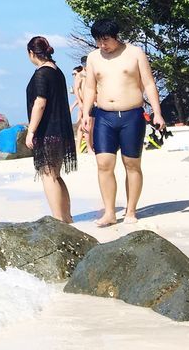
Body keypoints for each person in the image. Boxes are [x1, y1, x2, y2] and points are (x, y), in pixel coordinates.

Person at [82, 17, 165, 226]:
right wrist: (85, 114)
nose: (103, 45)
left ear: (116, 36)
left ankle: (131, 211)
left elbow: (148, 83)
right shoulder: (93, 58)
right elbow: (90, 88)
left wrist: (157, 112)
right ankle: (109, 212)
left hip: (131, 115)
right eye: (99, 41)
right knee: (104, 163)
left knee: (132, 164)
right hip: (104, 116)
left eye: (106, 40)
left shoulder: (135, 53)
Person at [25, 37, 77, 222]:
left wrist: (31, 131)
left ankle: (58, 218)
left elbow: (40, 103)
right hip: (61, 130)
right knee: (56, 175)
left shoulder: (42, 73)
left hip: (48, 131)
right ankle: (67, 216)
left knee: (48, 176)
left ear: (31, 53)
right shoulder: (57, 71)